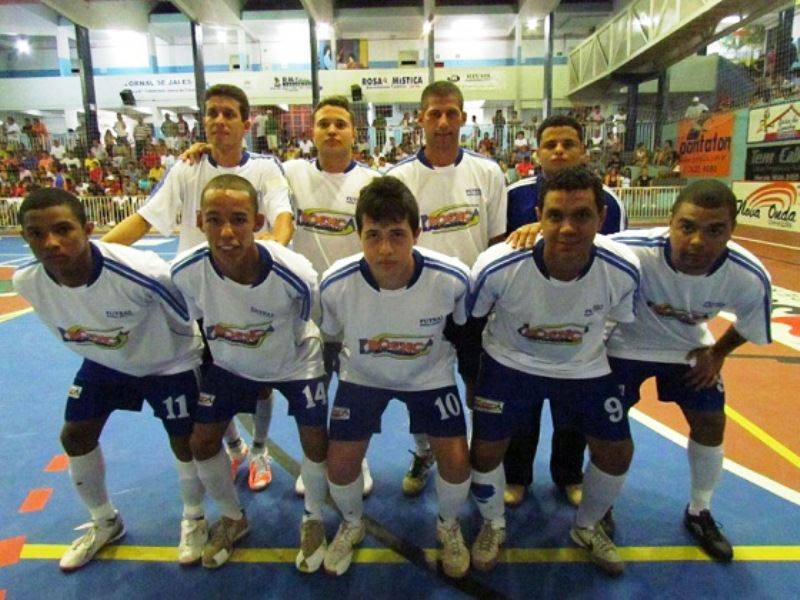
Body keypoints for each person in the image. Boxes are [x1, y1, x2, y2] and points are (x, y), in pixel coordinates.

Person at [103, 83, 293, 489]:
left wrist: (269, 249)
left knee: (259, 384)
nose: (219, 121)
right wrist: (97, 254)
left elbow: (283, 219)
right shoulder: (186, 168)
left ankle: (260, 450)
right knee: (206, 381)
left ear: (247, 122)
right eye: (212, 113)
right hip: (195, 299)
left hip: (247, 293)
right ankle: (235, 447)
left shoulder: (264, 168)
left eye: (228, 113)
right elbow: (143, 219)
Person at [13, 188, 205, 570]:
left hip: (168, 361)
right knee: (75, 435)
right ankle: (105, 521)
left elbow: (191, 318)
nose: (50, 242)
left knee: (185, 440)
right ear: (26, 239)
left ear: (87, 229)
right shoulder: (28, 282)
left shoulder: (146, 274)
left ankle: (195, 517)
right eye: (37, 234)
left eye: (63, 229)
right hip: (106, 361)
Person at [468, 166, 640, 576]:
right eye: (555, 216)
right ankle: (492, 524)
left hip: (584, 366)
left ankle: (587, 526)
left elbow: (619, 321)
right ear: (538, 217)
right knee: (487, 449)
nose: (567, 228)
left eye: (581, 216)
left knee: (617, 451)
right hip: (510, 361)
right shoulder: (497, 264)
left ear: (601, 218)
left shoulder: (623, 268)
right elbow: (471, 321)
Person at [607, 179, 772, 563]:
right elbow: (573, 249)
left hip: (689, 350)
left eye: (715, 230)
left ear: (733, 230)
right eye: (688, 227)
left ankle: (700, 510)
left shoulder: (748, 275)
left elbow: (750, 323)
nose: (698, 241)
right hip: (625, 345)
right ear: (671, 221)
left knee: (712, 423)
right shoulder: (629, 249)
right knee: (608, 435)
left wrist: (718, 352)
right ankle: (600, 508)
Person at [171, 174, 330, 571]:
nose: (226, 231)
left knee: (315, 440)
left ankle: (313, 518)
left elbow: (311, 318)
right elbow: (196, 319)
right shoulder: (184, 273)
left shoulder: (295, 272)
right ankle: (232, 518)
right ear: (198, 221)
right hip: (231, 363)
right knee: (202, 442)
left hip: (295, 361)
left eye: (239, 219)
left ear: (258, 221)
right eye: (214, 219)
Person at [319, 176, 472, 578]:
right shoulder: (335, 283)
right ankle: (352, 523)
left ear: (417, 232)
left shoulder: (453, 278)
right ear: (358, 234)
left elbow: (462, 328)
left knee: (456, 460)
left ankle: (448, 525)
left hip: (430, 375)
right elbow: (332, 333)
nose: (385, 248)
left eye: (397, 234)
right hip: (364, 375)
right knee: (339, 464)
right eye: (373, 235)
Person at [387, 80, 506, 497]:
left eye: (451, 113)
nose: (442, 122)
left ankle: (475, 453)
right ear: (419, 118)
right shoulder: (399, 177)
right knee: (417, 390)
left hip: (473, 306)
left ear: (463, 118)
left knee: (476, 387)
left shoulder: (488, 172)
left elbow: (497, 244)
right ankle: (423, 452)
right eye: (433, 114)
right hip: (418, 304)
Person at [503, 114, 628, 508]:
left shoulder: (609, 202)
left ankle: (569, 475)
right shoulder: (515, 196)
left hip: (583, 320)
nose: (559, 151)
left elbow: (616, 259)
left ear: (583, 150)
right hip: (527, 319)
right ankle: (516, 476)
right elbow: (501, 251)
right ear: (536, 153)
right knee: (522, 410)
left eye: (568, 144)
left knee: (571, 411)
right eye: (551, 144)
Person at [283, 95, 378, 497]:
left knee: (358, 393)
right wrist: (201, 153)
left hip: (359, 310)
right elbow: (242, 168)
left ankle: (359, 458)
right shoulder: (288, 173)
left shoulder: (373, 182)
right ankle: (315, 462)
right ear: (312, 132)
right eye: (324, 124)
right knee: (312, 394)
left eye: (341, 123)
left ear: (354, 133)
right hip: (307, 313)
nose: (333, 130)